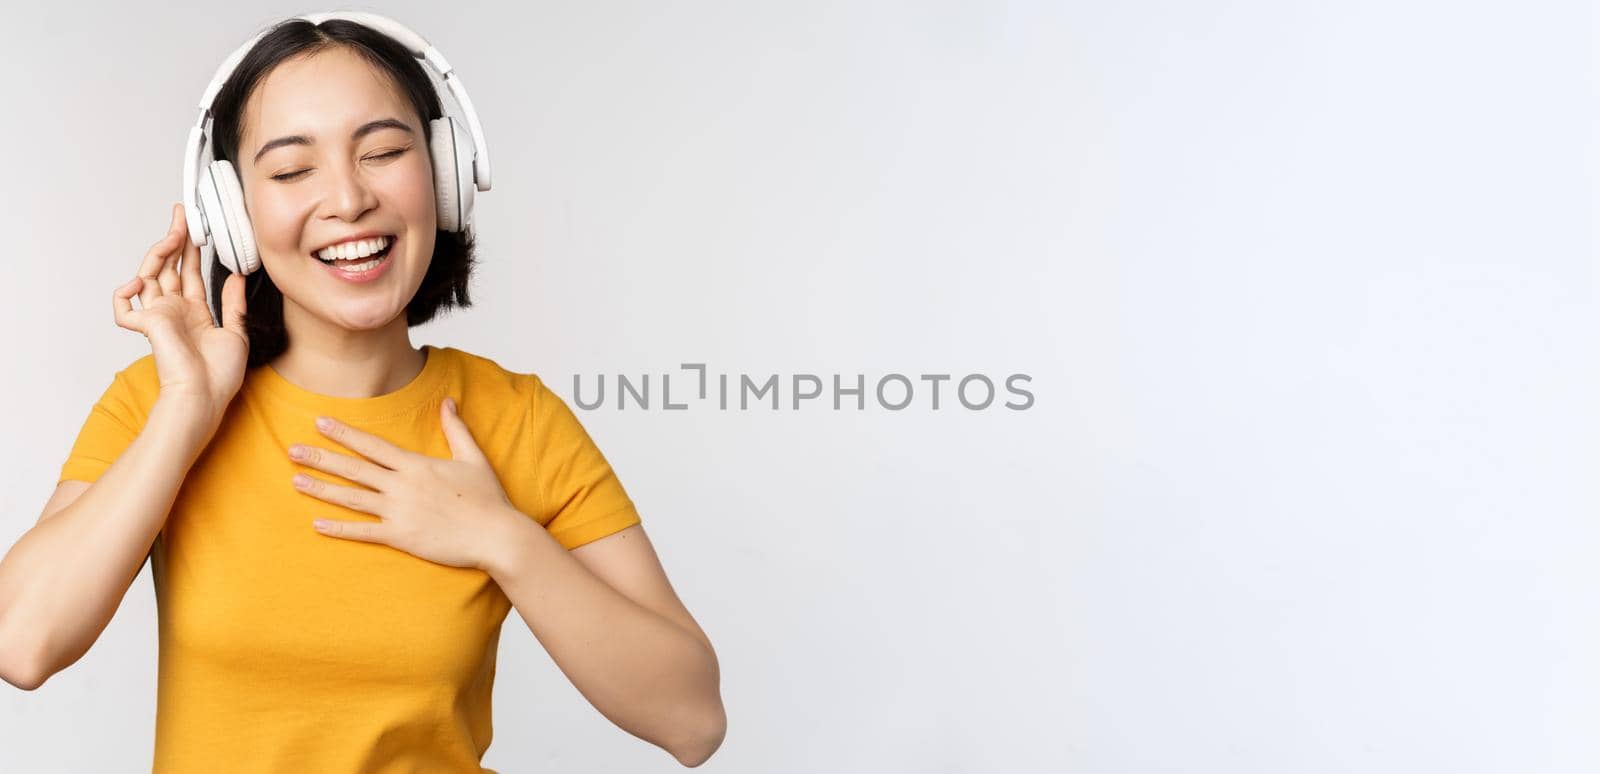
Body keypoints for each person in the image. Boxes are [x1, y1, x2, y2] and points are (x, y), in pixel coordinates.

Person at [0, 14, 725, 771]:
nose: (347, 199)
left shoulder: (516, 419)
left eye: (382, 152)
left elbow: (693, 720)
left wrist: (501, 538)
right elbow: (21, 645)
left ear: (443, 172)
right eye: (290, 171)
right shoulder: (163, 400)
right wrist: (187, 411)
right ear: (233, 213)